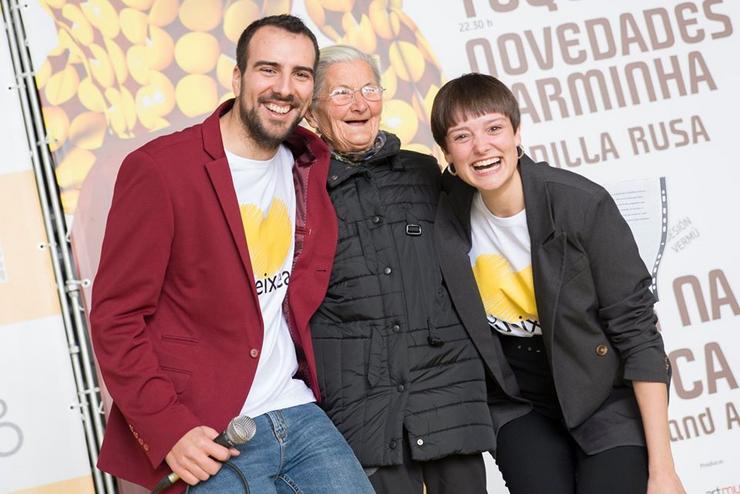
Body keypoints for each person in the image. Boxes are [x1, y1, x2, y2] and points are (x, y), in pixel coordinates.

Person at [90, 15, 373, 493]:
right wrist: (168, 428)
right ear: (238, 77)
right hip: (208, 428)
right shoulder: (160, 170)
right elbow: (115, 317)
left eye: (300, 74)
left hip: (299, 410)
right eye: (268, 70)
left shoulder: (309, 163)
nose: (284, 88)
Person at [429, 72, 686, 493]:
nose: (481, 147)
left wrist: (663, 471)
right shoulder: (444, 212)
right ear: (446, 153)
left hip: (602, 394)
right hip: (519, 402)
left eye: (494, 128)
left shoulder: (581, 204)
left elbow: (639, 335)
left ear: (516, 133)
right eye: (462, 136)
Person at [304, 45, 494, 494]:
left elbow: (501, 215)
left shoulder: (425, 173)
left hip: (447, 395)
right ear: (312, 112)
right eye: (342, 93)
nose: (359, 103)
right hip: (361, 404)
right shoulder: (296, 188)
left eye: (369, 88)